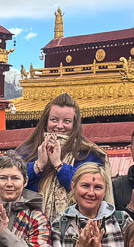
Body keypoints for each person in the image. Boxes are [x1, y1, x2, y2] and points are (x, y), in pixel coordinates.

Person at [12, 93, 113, 222]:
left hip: (75, 224)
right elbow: (12, 185)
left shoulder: (88, 153)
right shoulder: (26, 151)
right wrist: (38, 166)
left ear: (75, 125)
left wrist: (59, 165)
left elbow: (88, 189)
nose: (59, 126)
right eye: (54, 120)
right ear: (45, 122)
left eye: (67, 121)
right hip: (29, 223)